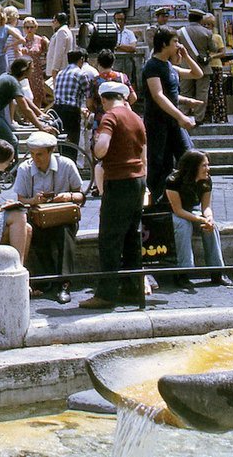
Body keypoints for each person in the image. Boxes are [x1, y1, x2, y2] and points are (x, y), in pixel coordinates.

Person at [79, 81, 147, 309]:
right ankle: (132, 289)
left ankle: (106, 295)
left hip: (118, 181)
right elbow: (143, 154)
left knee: (109, 239)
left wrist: (97, 145)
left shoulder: (110, 117)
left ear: (104, 99)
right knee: (131, 238)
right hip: (138, 181)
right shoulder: (137, 118)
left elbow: (102, 148)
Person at [13, 131, 84, 304]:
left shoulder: (66, 165)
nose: (36, 159)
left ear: (51, 151)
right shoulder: (25, 168)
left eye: (40, 155)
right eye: (32, 154)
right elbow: (21, 199)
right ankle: (49, 280)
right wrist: (34, 200)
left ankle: (64, 284)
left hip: (62, 218)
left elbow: (81, 195)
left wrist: (68, 196)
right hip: (38, 218)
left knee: (65, 234)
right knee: (36, 235)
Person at [143, 29, 203, 205]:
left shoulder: (169, 66)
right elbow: (158, 95)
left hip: (173, 121)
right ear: (164, 44)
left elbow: (196, 74)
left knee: (189, 155)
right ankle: (158, 201)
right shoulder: (152, 66)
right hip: (158, 122)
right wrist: (181, 116)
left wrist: (186, 57)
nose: (178, 45)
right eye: (175, 42)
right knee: (159, 163)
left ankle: (187, 197)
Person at [164, 150, 229, 287]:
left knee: (211, 227)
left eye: (208, 165)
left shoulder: (206, 181)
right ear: (193, 167)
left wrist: (209, 218)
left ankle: (217, 271)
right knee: (184, 225)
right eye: (204, 166)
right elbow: (178, 210)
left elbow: (206, 207)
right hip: (171, 212)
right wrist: (199, 220)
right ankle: (184, 272)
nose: (208, 169)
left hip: (190, 210)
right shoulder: (173, 180)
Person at [0, 58, 57, 155]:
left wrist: (40, 113)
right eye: (32, 69)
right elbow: (25, 109)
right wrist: (41, 127)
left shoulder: (11, 79)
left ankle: (1, 163)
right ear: (24, 70)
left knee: (12, 135)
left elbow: (25, 99)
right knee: (12, 141)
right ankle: (11, 169)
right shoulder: (12, 82)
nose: (33, 71)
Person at [51, 50, 94, 149]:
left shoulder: (60, 73)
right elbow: (88, 96)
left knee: (62, 141)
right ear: (81, 60)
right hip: (71, 112)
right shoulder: (81, 74)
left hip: (57, 110)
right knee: (72, 143)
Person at [177, 9, 214, 124]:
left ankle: (183, 114)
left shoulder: (180, 32)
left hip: (185, 66)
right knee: (202, 93)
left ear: (189, 18)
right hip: (202, 66)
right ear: (201, 19)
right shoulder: (207, 32)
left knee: (184, 91)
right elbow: (213, 48)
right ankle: (199, 118)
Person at [203, 13, 229, 125]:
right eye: (205, 24)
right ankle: (207, 116)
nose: (207, 26)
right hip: (205, 66)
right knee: (206, 92)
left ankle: (220, 116)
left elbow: (223, 52)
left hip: (216, 66)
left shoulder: (217, 37)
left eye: (209, 24)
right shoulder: (202, 36)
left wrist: (212, 56)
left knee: (218, 91)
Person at [21, 17, 50, 109]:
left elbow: (47, 53)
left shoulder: (41, 40)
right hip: (24, 71)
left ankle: (36, 114)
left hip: (36, 70)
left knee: (37, 93)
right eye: (27, 27)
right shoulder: (21, 40)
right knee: (25, 93)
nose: (29, 29)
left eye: (31, 27)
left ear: (36, 27)